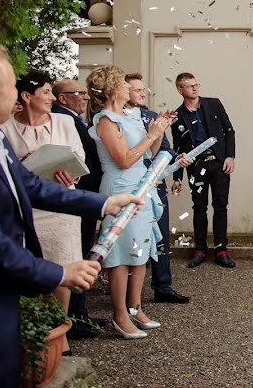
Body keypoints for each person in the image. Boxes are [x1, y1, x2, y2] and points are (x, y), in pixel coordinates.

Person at [0, 44, 143, 386]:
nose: (14, 92)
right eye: (8, 85)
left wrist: (103, 204)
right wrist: (58, 271)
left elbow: (32, 186)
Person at [0, 71, 87, 354]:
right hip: (28, 207)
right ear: (26, 97)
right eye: (46, 92)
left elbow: (79, 157)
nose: (52, 98)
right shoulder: (6, 128)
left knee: (63, 263)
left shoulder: (64, 122)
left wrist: (69, 175)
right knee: (32, 266)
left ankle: (59, 336)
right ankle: (36, 334)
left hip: (61, 203)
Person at [87, 65, 173, 339]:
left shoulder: (132, 115)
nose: (130, 87)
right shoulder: (106, 121)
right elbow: (123, 159)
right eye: (124, 83)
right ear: (113, 88)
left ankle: (135, 308)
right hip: (120, 189)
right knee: (120, 255)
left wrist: (158, 131)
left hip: (142, 187)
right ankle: (119, 315)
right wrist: (150, 135)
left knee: (141, 251)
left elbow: (149, 153)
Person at [126, 73, 191, 303]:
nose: (143, 93)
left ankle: (163, 286)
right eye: (137, 90)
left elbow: (165, 148)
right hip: (130, 184)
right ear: (125, 93)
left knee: (162, 235)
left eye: (144, 90)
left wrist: (171, 163)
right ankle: (128, 293)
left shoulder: (153, 116)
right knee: (133, 238)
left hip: (156, 183)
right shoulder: (117, 119)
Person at [52, 78, 106, 339]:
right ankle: (74, 317)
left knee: (82, 249)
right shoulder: (63, 119)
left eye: (86, 93)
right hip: (78, 193)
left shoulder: (73, 117)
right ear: (63, 98)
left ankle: (79, 314)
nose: (86, 97)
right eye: (79, 93)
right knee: (77, 252)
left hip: (85, 194)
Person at [170, 73, 236, 269]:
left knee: (220, 206)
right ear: (180, 90)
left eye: (195, 84)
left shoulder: (213, 104)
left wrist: (230, 156)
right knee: (199, 208)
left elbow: (229, 131)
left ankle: (221, 250)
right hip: (195, 167)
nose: (194, 88)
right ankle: (200, 250)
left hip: (219, 163)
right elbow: (177, 147)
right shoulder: (177, 116)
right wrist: (177, 177)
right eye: (189, 86)